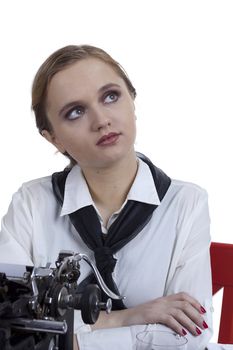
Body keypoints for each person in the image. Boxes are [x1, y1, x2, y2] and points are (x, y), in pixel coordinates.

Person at [0, 45, 213, 350]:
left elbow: (189, 337)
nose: (101, 120)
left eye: (111, 96)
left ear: (132, 100)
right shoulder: (31, 204)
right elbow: (9, 327)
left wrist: (64, 338)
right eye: (75, 112)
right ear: (53, 138)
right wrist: (128, 318)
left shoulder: (186, 204)